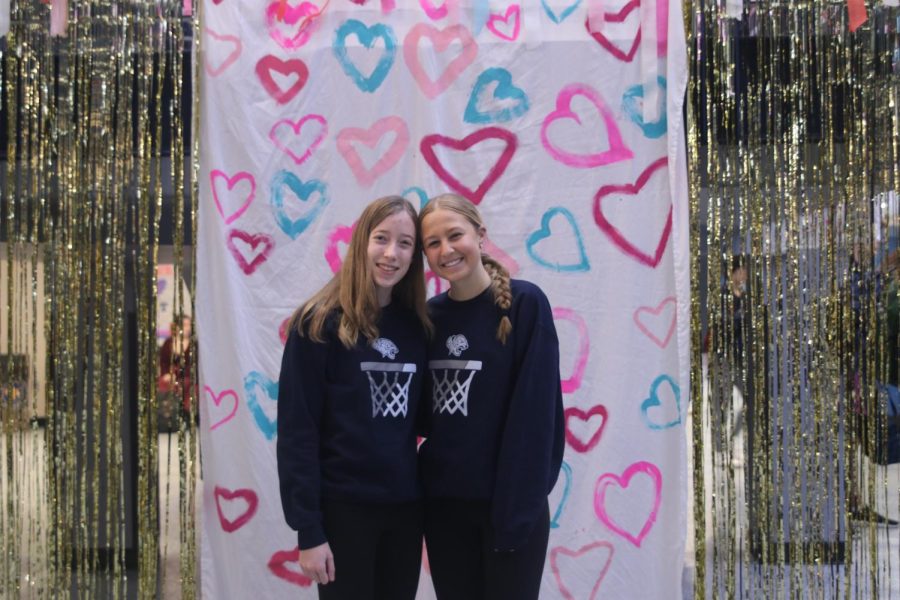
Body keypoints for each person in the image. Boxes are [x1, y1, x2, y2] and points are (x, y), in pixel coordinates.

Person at [276, 196, 431, 599]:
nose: (391, 253)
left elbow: (423, 421)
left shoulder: (416, 328)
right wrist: (308, 529)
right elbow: (298, 432)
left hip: (404, 513)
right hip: (342, 513)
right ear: (362, 241)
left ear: (415, 255)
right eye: (381, 238)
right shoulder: (317, 322)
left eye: (405, 243)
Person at [417, 193, 565, 600]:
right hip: (445, 510)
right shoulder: (428, 318)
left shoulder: (525, 305)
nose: (446, 249)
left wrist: (516, 512)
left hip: (511, 508)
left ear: (480, 235)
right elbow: (424, 418)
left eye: (455, 235)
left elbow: (538, 418)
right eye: (433, 242)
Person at [158, 314, 194, 431]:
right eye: (184, 325)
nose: (187, 328)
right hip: (171, 376)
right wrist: (167, 374)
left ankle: (187, 417)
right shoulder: (168, 343)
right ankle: (168, 419)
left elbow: (193, 366)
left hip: (188, 377)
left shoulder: (194, 344)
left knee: (186, 386)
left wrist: (179, 375)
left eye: (189, 325)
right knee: (163, 385)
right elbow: (163, 362)